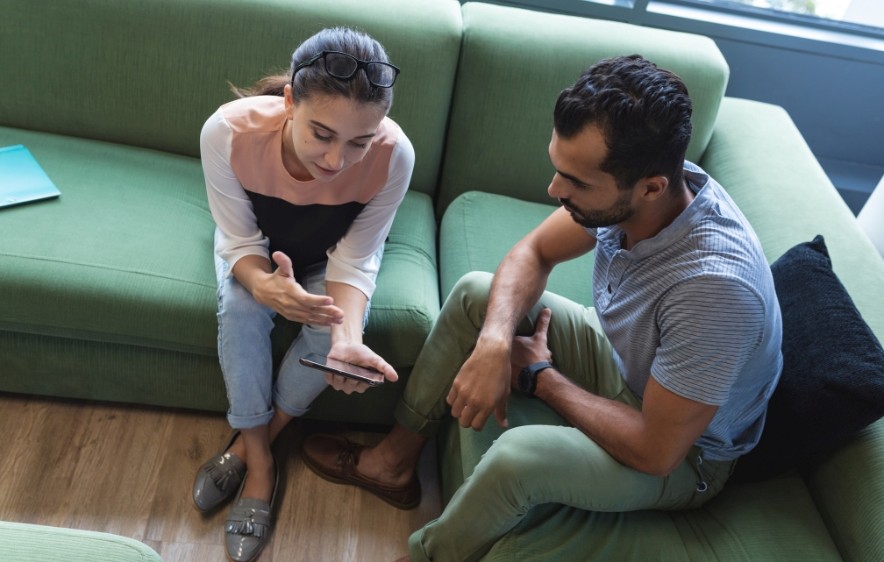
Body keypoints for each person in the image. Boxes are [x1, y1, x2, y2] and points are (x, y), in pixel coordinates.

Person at [302, 54, 783, 561]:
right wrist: (492, 346)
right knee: (476, 294)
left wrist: (540, 377)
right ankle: (392, 463)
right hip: (627, 366)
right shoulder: (660, 182)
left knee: (518, 455)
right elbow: (534, 252)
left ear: (651, 188)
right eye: (559, 170)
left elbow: (656, 450)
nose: (555, 191)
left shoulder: (715, 291)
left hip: (686, 455)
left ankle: (426, 556)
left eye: (576, 182)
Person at [191, 27, 413, 562]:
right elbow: (240, 239)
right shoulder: (227, 132)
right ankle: (262, 466)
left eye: (359, 141)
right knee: (243, 306)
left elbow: (355, 260)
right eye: (322, 134)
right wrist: (262, 282)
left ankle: (257, 439)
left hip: (334, 255)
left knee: (332, 331)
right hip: (260, 249)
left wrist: (347, 336)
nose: (337, 161)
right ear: (289, 100)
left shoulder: (394, 156)